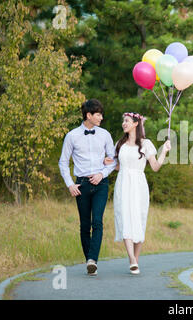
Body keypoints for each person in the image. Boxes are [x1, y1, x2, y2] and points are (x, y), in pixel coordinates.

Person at [104, 112, 170, 275]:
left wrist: (164, 151)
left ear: (135, 124)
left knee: (139, 220)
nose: (123, 124)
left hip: (139, 185)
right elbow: (118, 166)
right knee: (125, 218)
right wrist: (108, 162)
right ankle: (131, 259)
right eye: (123, 121)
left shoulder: (146, 144)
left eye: (126, 121)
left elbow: (155, 167)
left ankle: (136, 260)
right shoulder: (120, 143)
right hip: (123, 183)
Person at [58, 99, 116, 276]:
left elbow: (113, 160)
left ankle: (93, 260)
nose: (101, 117)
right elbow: (62, 162)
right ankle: (89, 260)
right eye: (98, 114)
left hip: (101, 183)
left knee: (97, 222)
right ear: (88, 115)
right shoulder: (72, 136)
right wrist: (70, 184)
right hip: (81, 185)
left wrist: (102, 174)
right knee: (84, 225)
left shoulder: (105, 134)